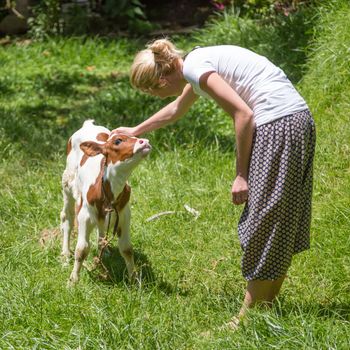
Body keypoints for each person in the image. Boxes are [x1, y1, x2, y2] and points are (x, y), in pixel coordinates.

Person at [114, 39, 316, 328]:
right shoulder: (197, 63)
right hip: (297, 120)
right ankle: (264, 306)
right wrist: (136, 130)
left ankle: (246, 319)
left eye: (152, 92)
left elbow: (243, 114)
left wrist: (241, 174)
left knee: (263, 220)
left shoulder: (196, 69)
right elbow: (176, 110)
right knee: (280, 217)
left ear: (161, 79)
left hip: (278, 125)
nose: (157, 97)